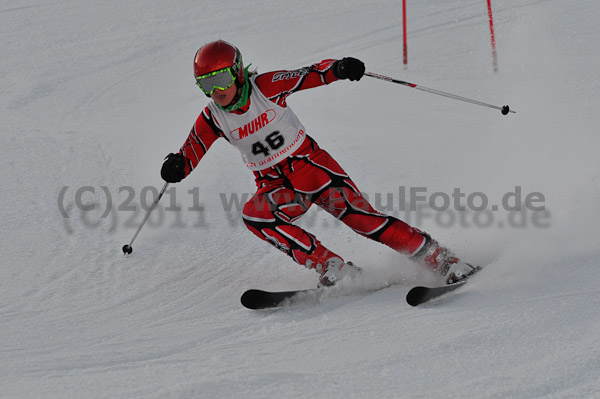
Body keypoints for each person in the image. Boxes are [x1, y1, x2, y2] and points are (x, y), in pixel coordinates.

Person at [161, 40, 478, 287]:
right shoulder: (213, 117)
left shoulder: (265, 87)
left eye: (219, 79)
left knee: (364, 221)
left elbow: (308, 74)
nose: (215, 92)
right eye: (205, 85)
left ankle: (444, 260)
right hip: (276, 187)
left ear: (238, 71)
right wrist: (174, 166)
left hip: (313, 170)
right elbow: (188, 156)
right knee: (255, 215)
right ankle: (333, 266)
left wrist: (338, 69)